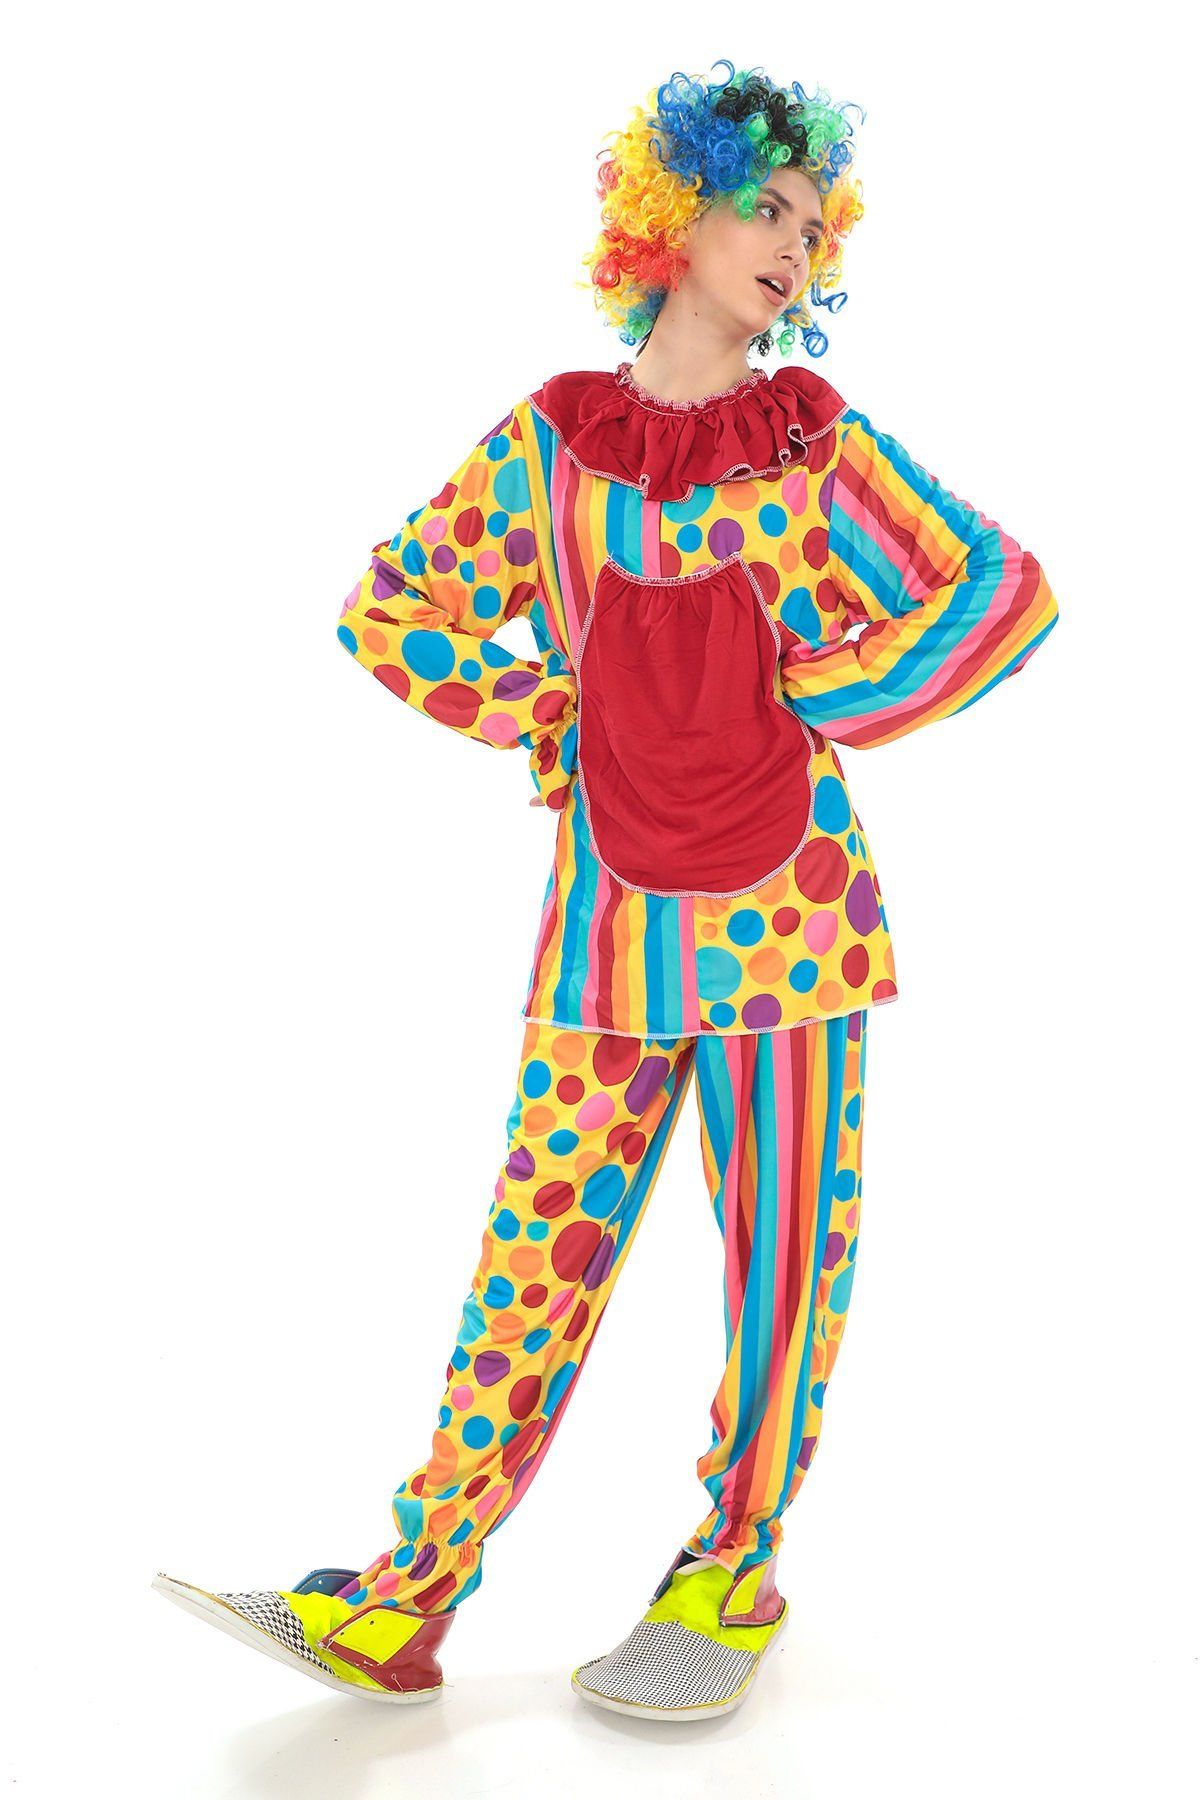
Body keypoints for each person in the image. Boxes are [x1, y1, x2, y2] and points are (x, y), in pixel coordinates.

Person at [153, 59, 1059, 1721]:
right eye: (761, 207)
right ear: (669, 215)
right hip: (608, 944)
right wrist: (542, 711)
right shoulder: (551, 450)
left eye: (812, 225)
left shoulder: (815, 449)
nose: (790, 245)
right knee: (531, 1261)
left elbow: (1002, 590)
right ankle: (402, 1600)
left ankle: (732, 1569)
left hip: (795, 934)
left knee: (784, 1271)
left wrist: (832, 695)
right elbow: (389, 608)